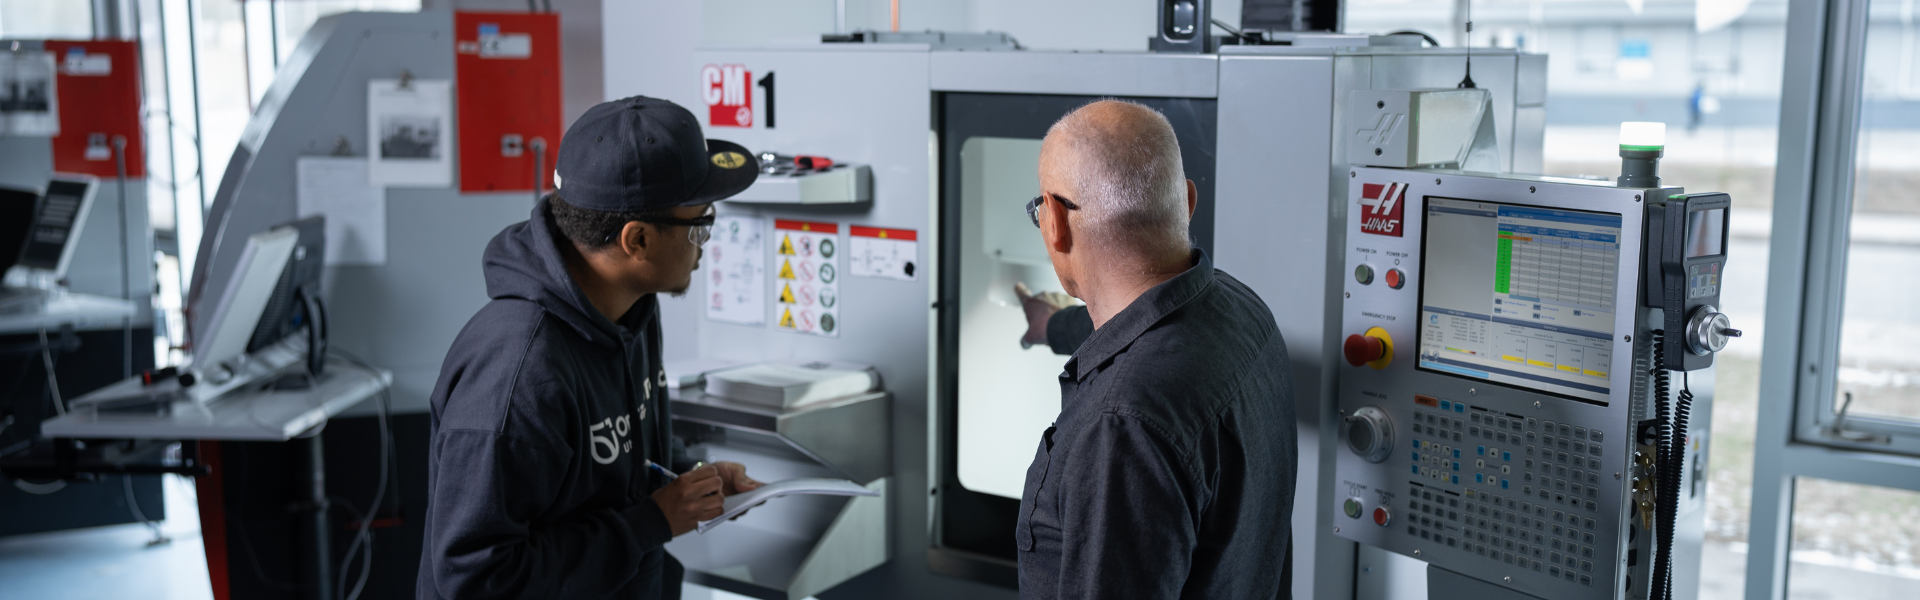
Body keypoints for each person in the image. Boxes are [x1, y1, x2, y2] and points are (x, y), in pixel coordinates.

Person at [418, 96, 763, 599]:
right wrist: (653, 521)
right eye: (700, 224)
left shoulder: (631, 311)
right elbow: (476, 578)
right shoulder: (517, 375)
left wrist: (691, 479)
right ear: (637, 240)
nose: (705, 244)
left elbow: (610, 466)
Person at [1013, 100, 1297, 599]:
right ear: (1186, 201)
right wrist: (1050, 324)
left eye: (1040, 209)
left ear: (1054, 222)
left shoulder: (1122, 428)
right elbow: (1131, 323)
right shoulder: (1244, 310)